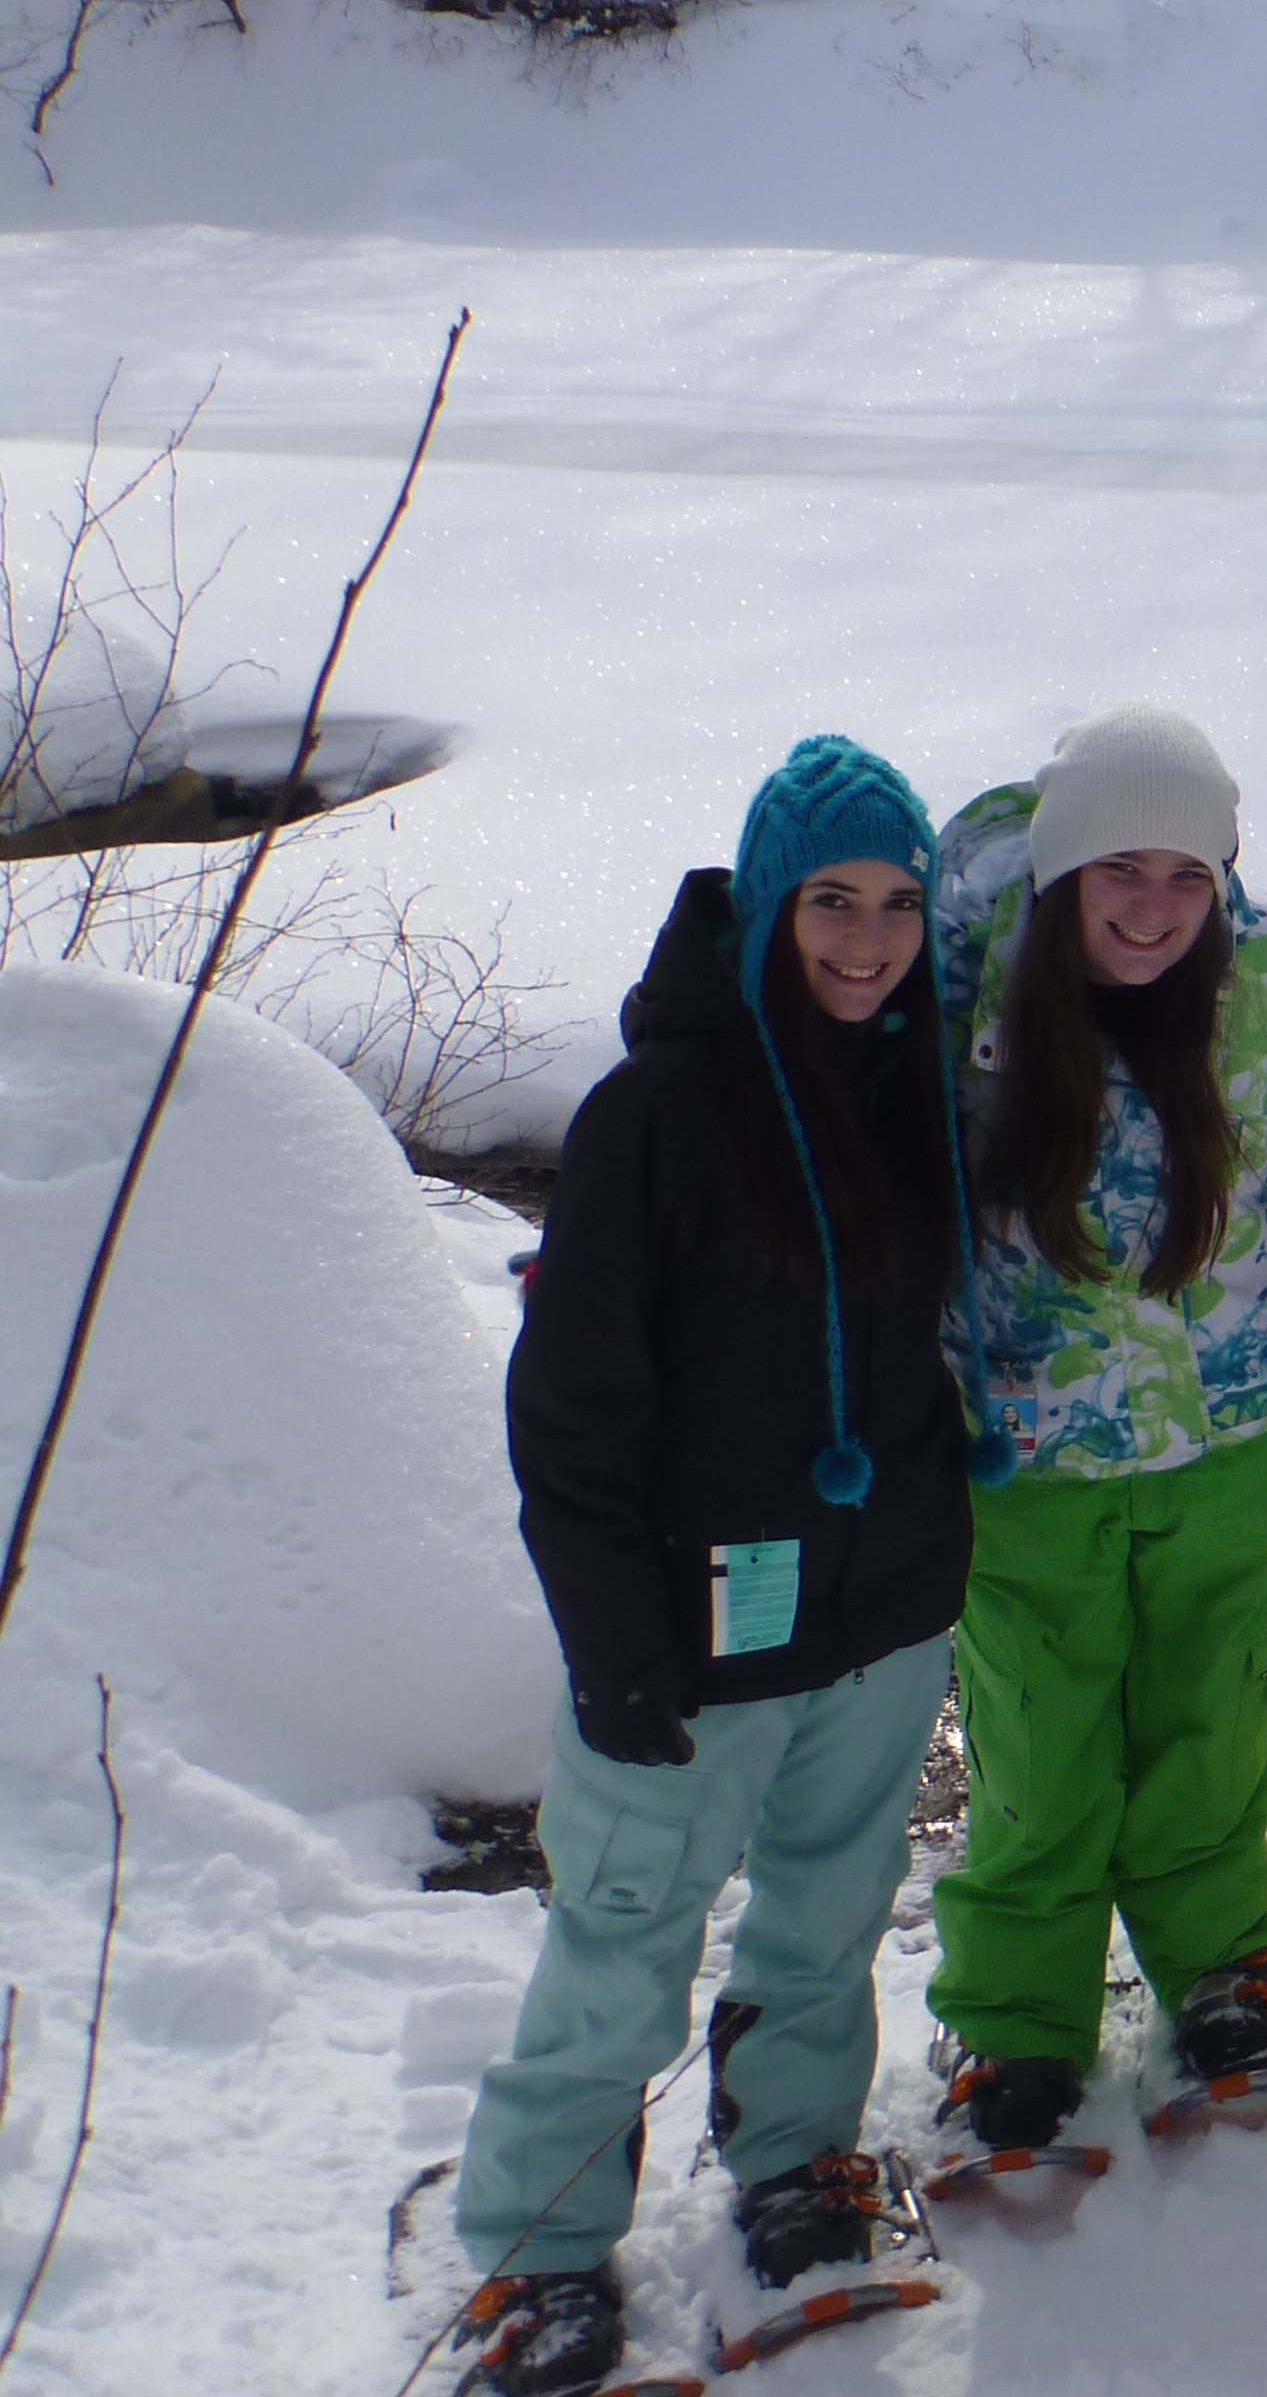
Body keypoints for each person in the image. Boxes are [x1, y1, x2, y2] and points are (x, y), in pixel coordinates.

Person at [448, 737, 991, 2397]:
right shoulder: (655, 1115)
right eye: (833, 902)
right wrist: (614, 1647)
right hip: (689, 1635)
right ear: (765, 906)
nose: (869, 941)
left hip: (879, 1614)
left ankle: (798, 2162)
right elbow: (572, 1412)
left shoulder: (909, 1088)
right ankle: (539, 2248)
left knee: (827, 1919)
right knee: (623, 1936)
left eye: (897, 905)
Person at [920, 704, 1267, 2146]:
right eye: (1119, 866)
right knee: (1038, 1744)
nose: (1153, 905)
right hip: (1027, 1450)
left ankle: (1221, 1961)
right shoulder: (956, 986)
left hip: (1237, 1423)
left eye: (1189, 872)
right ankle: (1018, 2018)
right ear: (1059, 869)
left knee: (1212, 1715)